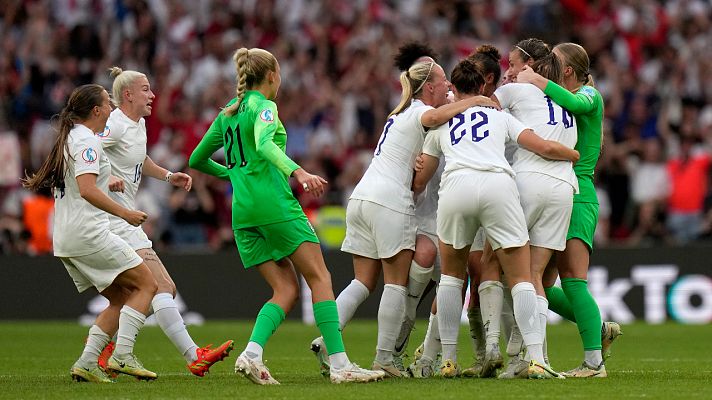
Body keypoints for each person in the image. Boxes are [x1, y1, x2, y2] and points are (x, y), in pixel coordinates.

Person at [188, 47, 384, 385]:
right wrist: (300, 172)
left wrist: (235, 175)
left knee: (285, 290)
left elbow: (196, 159)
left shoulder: (228, 113)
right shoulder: (265, 107)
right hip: (275, 206)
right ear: (272, 76)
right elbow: (265, 146)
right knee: (320, 278)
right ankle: (340, 365)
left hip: (243, 214)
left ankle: (251, 354)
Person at [314, 43, 499, 378]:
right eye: (443, 82)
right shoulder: (420, 112)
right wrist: (477, 100)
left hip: (361, 197)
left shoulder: (398, 113)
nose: (447, 87)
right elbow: (434, 120)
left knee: (363, 281)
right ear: (428, 87)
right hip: (390, 201)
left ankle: (327, 339)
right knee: (397, 285)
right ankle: (387, 356)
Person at [414, 58, 579, 379]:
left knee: (451, 277)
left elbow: (422, 178)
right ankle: (536, 358)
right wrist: (572, 154)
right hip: (497, 186)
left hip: (456, 186)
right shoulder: (499, 116)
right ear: (482, 87)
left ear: (455, 89)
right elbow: (542, 146)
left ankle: (447, 359)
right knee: (520, 278)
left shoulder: (443, 122)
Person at [101, 67, 233, 377]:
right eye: (146, 89)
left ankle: (104, 352)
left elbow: (140, 160)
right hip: (112, 218)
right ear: (128, 95)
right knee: (160, 286)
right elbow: (90, 154)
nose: (153, 95)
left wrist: (168, 175)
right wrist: (109, 178)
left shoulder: (139, 125)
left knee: (136, 295)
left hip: (123, 217)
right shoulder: (115, 124)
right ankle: (192, 355)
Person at [22, 84, 158, 383]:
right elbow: (85, 190)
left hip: (67, 237)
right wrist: (125, 213)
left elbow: (80, 184)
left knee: (121, 297)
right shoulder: (88, 141)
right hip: (88, 234)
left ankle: (86, 363)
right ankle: (122, 356)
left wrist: (110, 181)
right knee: (147, 284)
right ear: (97, 110)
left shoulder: (72, 138)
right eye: (108, 103)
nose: (112, 107)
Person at [517, 42, 622, 378]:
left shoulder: (590, 95)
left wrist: (534, 79)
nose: (547, 66)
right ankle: (598, 329)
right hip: (559, 191)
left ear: (567, 71)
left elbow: (574, 101)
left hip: (579, 193)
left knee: (574, 280)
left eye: (554, 62)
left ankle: (594, 363)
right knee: (542, 283)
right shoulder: (559, 103)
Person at [477, 38, 578, 378]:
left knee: (495, 261)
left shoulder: (515, 90)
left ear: (529, 65)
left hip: (527, 179)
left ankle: (495, 347)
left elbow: (478, 108)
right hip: (564, 187)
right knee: (534, 275)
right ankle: (534, 359)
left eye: (513, 64)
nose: (508, 71)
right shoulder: (565, 97)